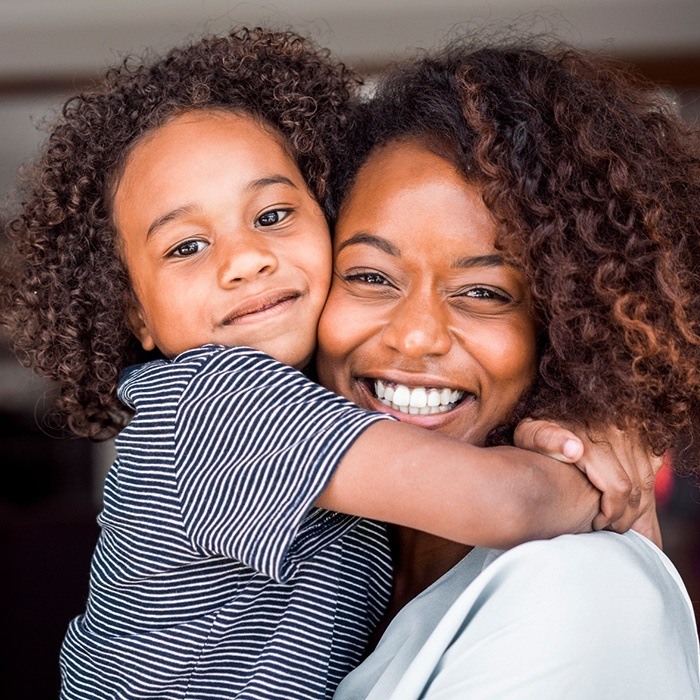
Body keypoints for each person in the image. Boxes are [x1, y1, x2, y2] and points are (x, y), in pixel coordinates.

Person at [1, 28, 650, 700]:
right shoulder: (215, 402)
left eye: (275, 213)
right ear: (133, 311)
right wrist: (595, 476)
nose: (244, 259)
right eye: (186, 247)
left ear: (324, 217)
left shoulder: (322, 422)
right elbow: (509, 503)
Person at [321, 40, 700, 698]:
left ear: (568, 330)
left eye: (485, 293)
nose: (414, 336)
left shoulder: (580, 589)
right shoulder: (331, 569)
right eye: (370, 277)